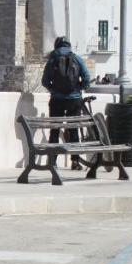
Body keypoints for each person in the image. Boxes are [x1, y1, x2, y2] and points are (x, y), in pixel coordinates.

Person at [40, 36, 92, 169]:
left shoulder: (52, 60)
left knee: (55, 131)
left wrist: (53, 90)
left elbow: (45, 81)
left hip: (56, 100)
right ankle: (75, 162)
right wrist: (78, 89)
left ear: (56, 46)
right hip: (74, 100)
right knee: (73, 130)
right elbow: (86, 78)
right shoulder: (77, 58)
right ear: (69, 45)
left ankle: (52, 161)